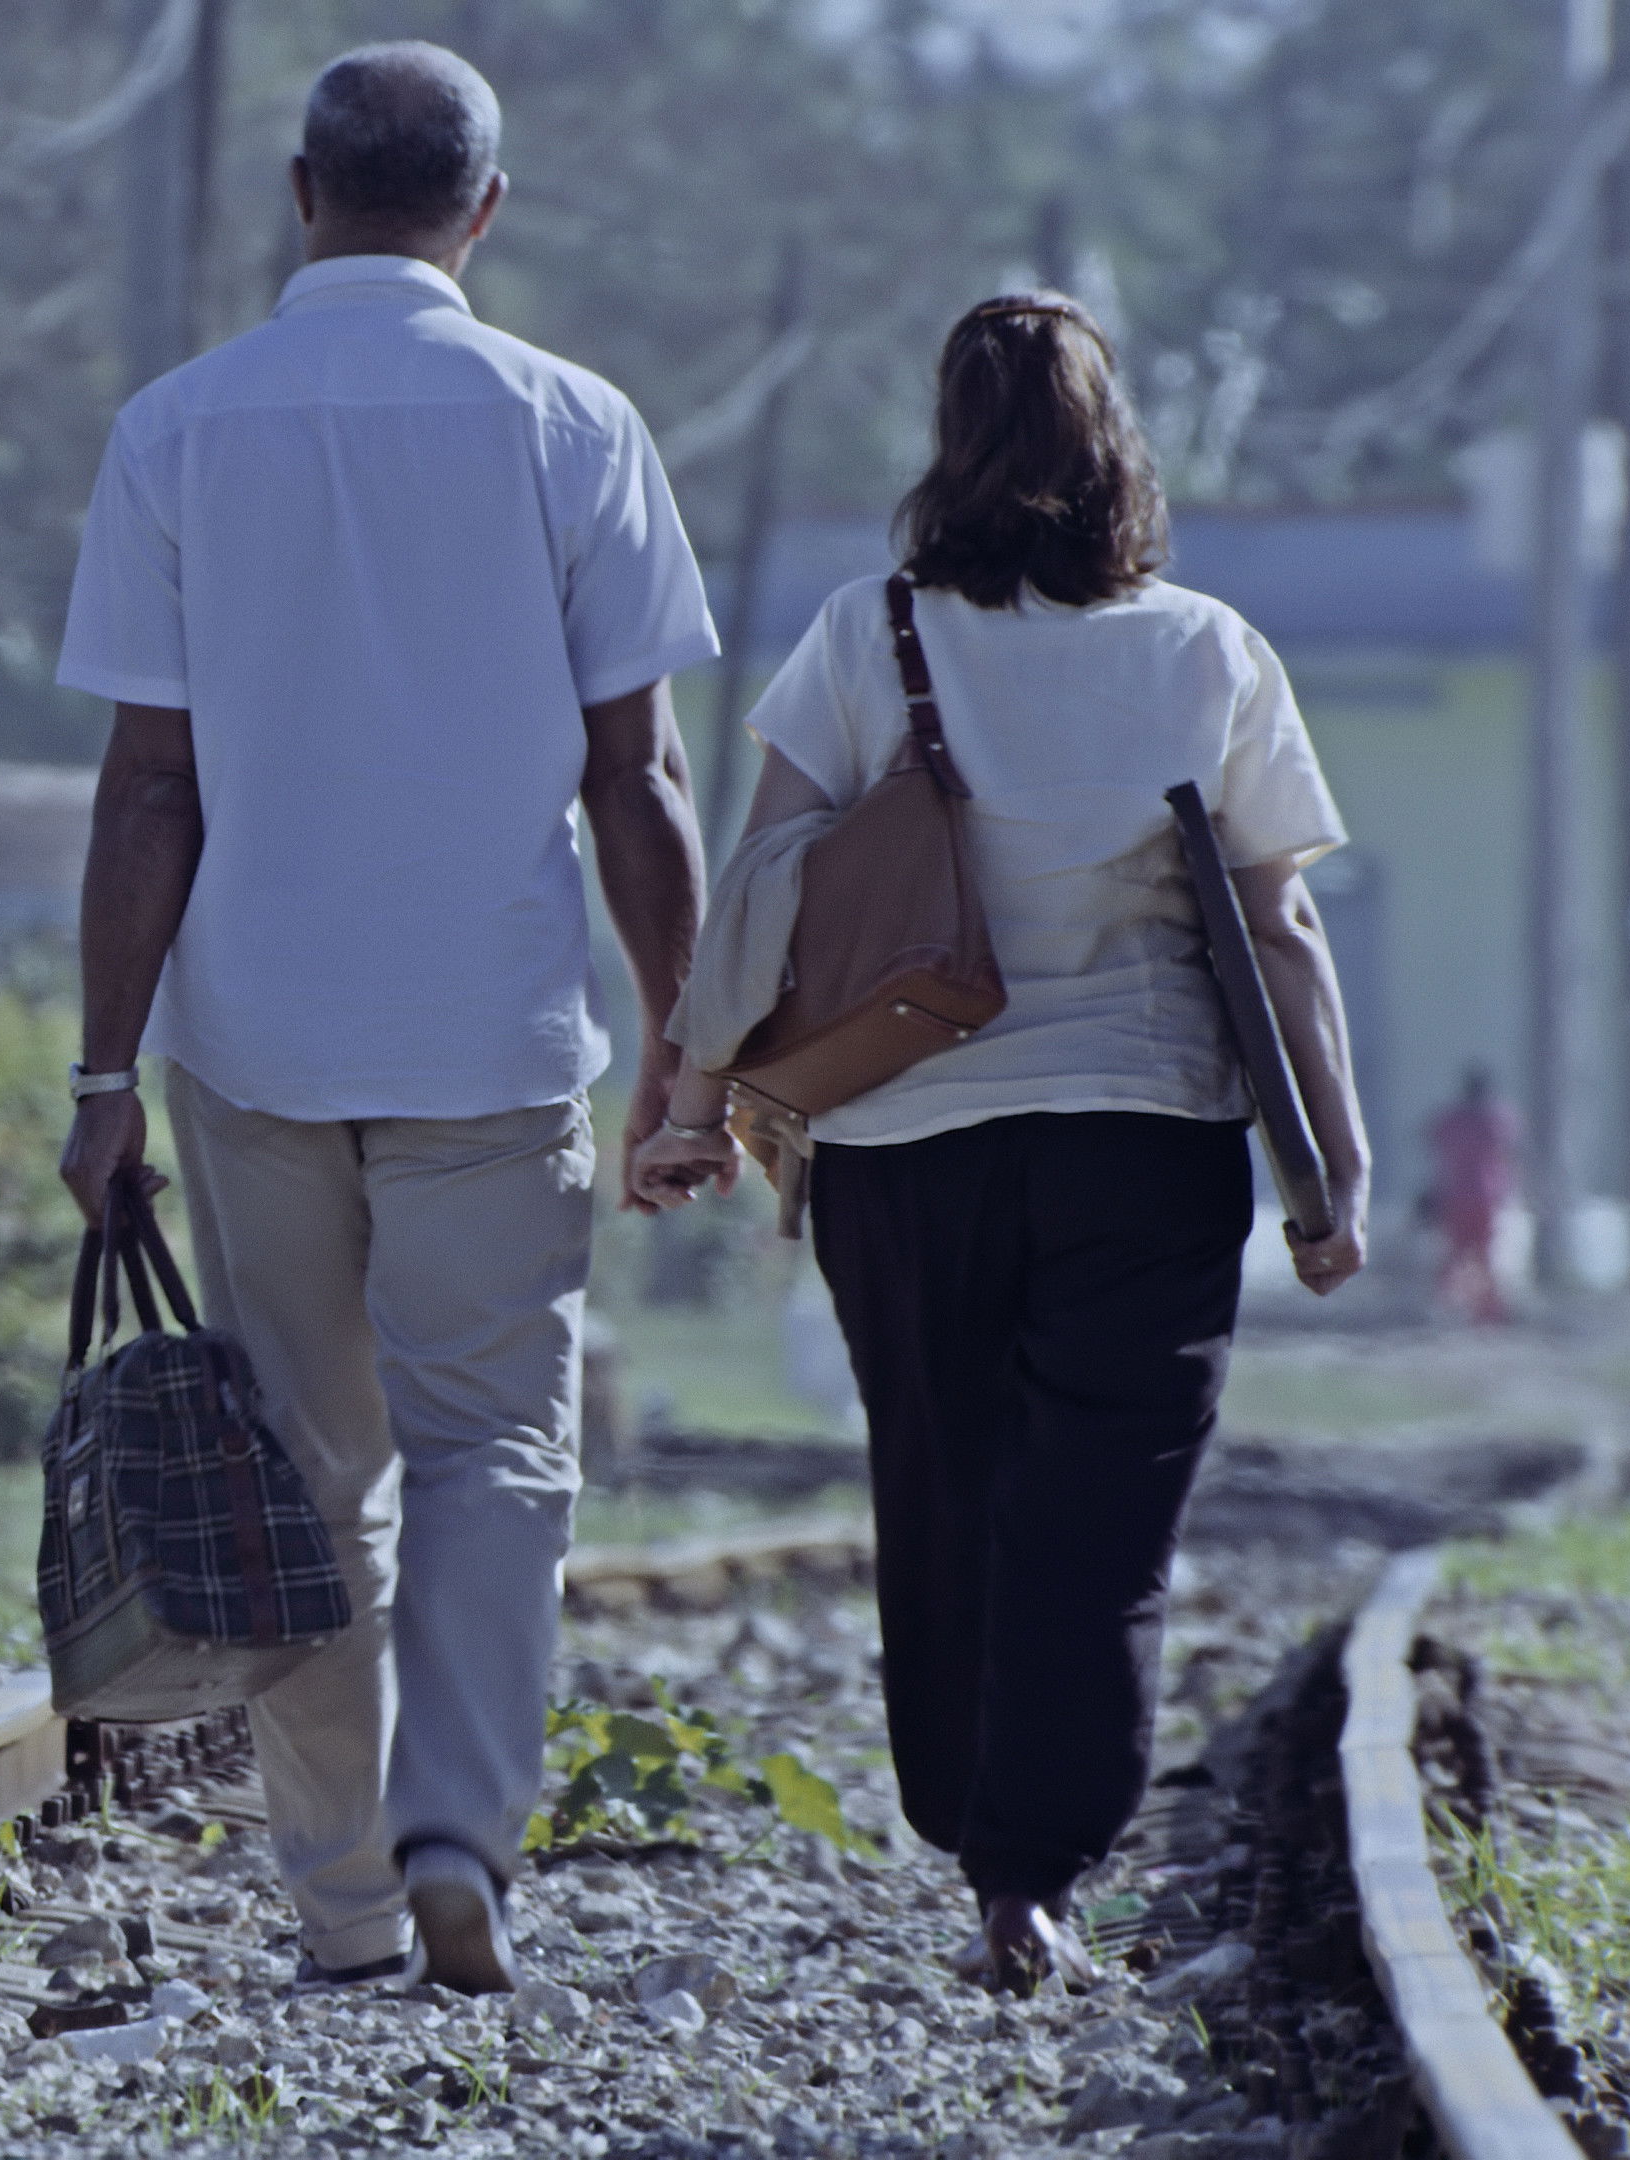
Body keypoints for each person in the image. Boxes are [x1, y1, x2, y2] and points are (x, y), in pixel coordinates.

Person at [51, 42, 722, 1997]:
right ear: (484, 211)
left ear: (298, 191)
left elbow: (147, 790)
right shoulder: (573, 425)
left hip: (252, 1039)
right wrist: (683, 1039)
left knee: (299, 1472)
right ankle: (462, 1842)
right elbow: (643, 780)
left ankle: (345, 1898)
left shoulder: (176, 432)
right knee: (496, 1451)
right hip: (496, 1038)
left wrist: (104, 1075)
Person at [641, 292, 1369, 1994]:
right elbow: (1281, 926)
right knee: (1098, 1516)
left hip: (909, 1147)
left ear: (950, 443)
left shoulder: (865, 634)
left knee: (945, 1484)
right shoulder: (1205, 649)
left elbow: (758, 902)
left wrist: (689, 1107)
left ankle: (987, 1853)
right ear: (1114, 444)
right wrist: (1330, 1174)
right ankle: (1041, 1864)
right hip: (1146, 1143)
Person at [1422, 1065, 1520, 1326]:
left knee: (1457, 1253)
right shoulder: (1497, 1118)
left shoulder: (1453, 1119)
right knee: (1482, 1254)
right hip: (1486, 1197)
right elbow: (1511, 1152)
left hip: (1457, 1195)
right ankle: (1487, 1309)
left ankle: (1446, 1303)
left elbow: (1430, 1141)